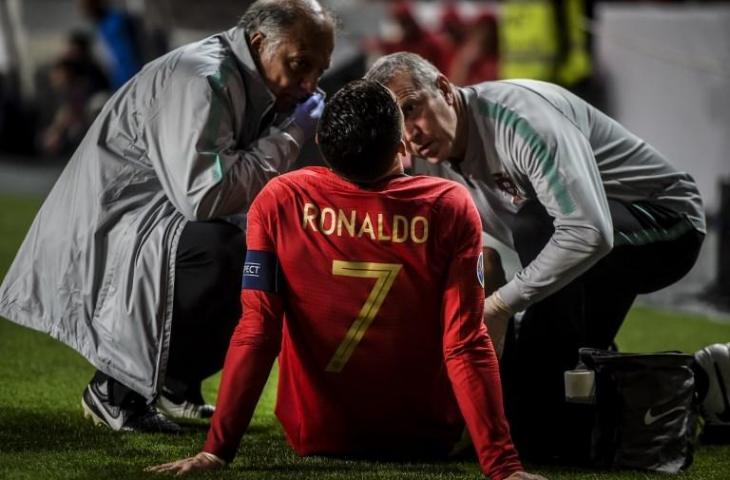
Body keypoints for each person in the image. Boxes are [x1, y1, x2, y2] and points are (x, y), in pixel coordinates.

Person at [146, 80, 547, 480]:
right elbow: (465, 342)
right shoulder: (448, 204)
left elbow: (257, 330)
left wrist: (216, 451)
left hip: (315, 433)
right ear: (402, 146)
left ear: (321, 142)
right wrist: (503, 467)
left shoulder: (281, 198)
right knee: (489, 266)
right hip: (427, 436)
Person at [0, 0, 334, 433]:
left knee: (262, 248)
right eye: (299, 64)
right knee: (227, 256)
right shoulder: (203, 78)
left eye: (320, 71)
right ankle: (116, 390)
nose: (310, 84)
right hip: (113, 227)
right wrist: (290, 135)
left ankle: (175, 385)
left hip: (153, 220)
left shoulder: (247, 77)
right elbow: (206, 197)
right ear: (258, 43)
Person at [365, 52, 706, 461]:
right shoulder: (425, 158)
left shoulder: (518, 121)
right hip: (595, 243)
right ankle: (708, 386)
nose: (410, 133)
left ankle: (535, 426)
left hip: (669, 222)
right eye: (396, 122)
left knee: (536, 233)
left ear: (443, 88)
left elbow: (587, 231)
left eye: (411, 108)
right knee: (574, 373)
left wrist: (499, 304)